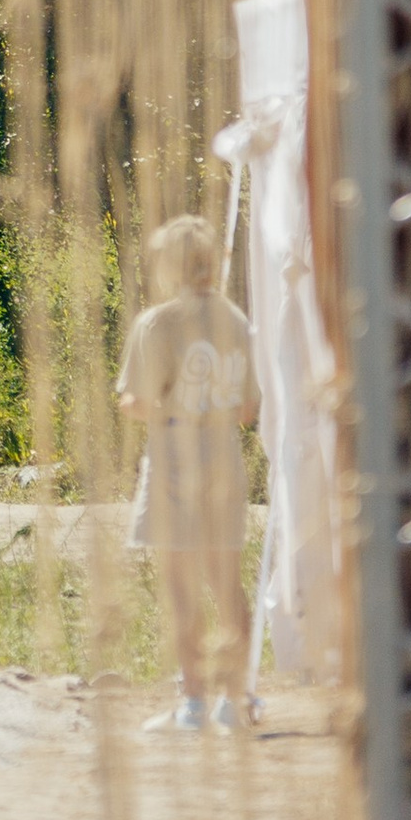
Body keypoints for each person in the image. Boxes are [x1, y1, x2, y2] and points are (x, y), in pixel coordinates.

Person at [118, 211, 261, 729]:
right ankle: (237, 698)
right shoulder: (238, 322)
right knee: (226, 583)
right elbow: (248, 410)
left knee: (179, 584)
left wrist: (139, 403)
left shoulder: (157, 323)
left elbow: (138, 401)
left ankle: (194, 703)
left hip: (176, 457)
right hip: (224, 453)